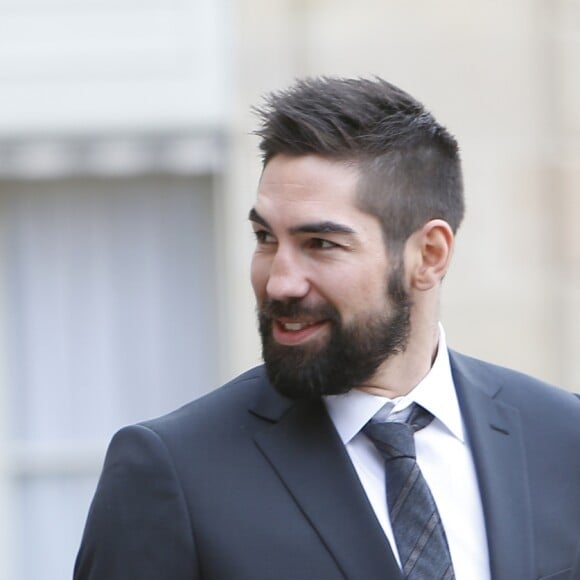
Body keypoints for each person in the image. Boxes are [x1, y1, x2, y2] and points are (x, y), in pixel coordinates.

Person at [74, 77, 580, 580]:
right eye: (265, 237)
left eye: (320, 243)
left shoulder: (562, 437)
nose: (280, 283)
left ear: (428, 255)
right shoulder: (173, 472)